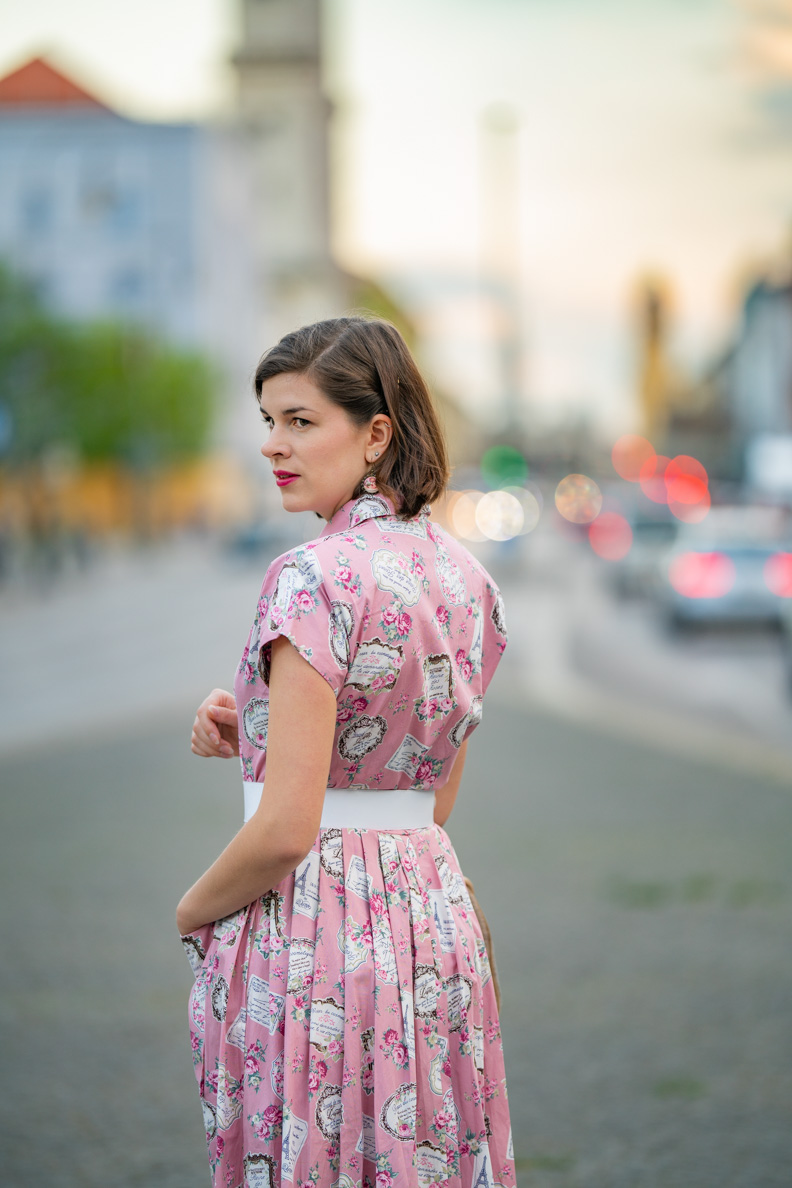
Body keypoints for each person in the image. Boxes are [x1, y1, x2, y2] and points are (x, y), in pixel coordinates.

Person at [177, 316, 515, 1187]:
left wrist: (192, 914)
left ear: (375, 434)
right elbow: (424, 797)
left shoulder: (311, 575)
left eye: (299, 421)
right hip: (430, 922)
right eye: (267, 421)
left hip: (314, 928)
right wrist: (255, 729)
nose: (273, 446)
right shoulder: (465, 580)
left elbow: (288, 830)